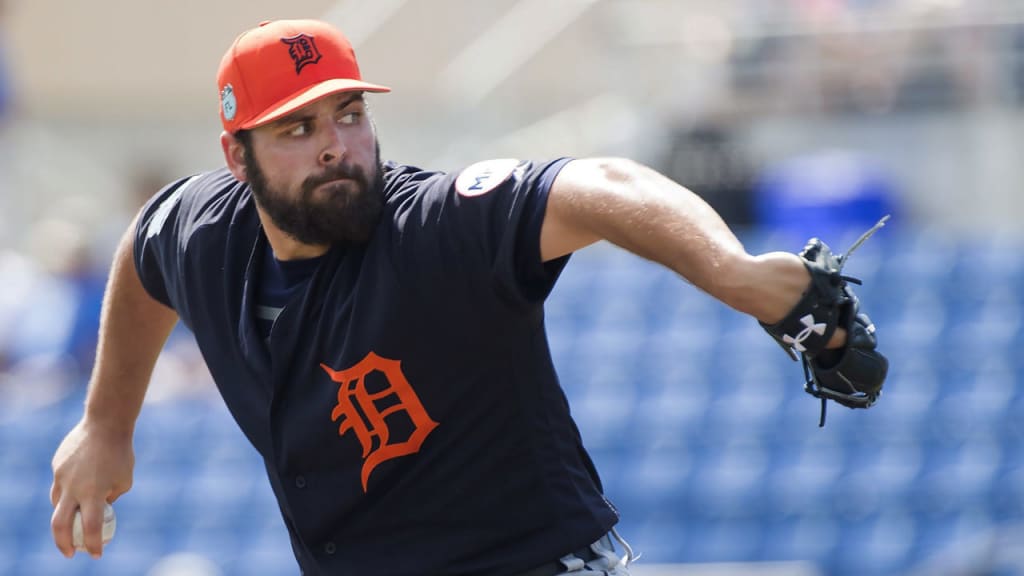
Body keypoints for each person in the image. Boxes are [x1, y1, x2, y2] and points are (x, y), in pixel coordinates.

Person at [49, 19, 884, 576]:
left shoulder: (433, 226)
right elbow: (144, 249)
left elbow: (599, 183)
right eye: (297, 130)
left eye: (347, 114)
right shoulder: (204, 231)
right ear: (239, 158)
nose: (337, 146)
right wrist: (105, 423)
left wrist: (729, 271)